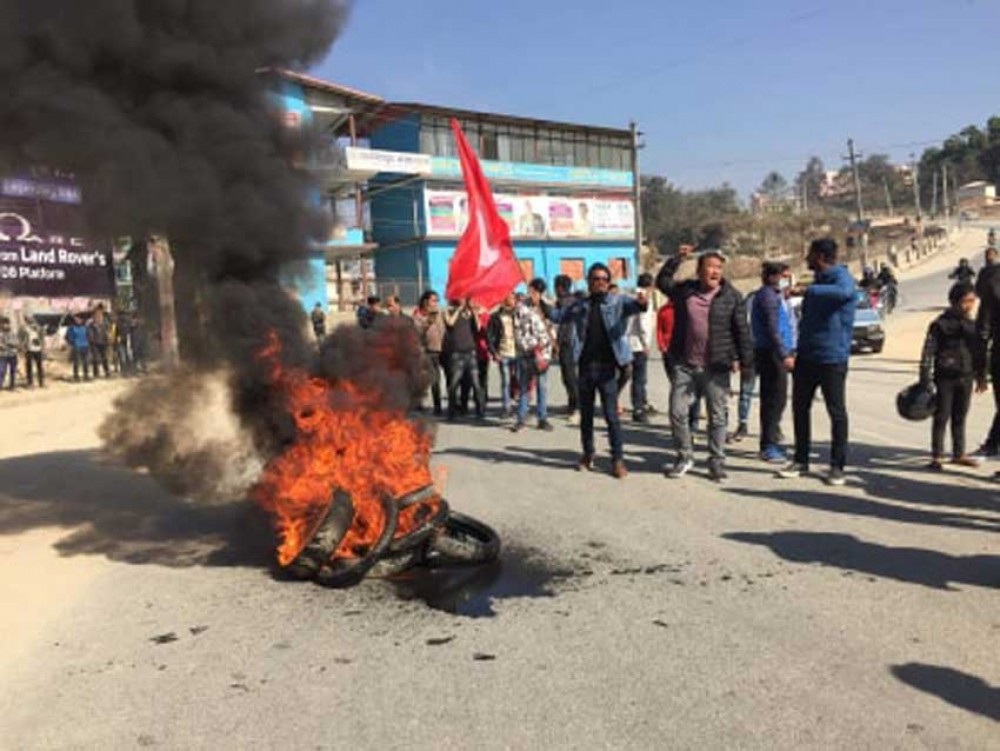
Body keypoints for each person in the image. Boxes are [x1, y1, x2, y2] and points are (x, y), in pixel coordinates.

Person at [656, 247, 753, 483]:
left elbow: (742, 332)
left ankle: (716, 462)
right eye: (710, 267)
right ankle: (685, 456)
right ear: (699, 271)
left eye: (719, 268)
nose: (715, 272)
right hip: (685, 364)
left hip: (716, 366)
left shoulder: (732, 296)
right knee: (677, 412)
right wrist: (676, 258)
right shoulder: (685, 292)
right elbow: (662, 281)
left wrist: (746, 365)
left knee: (717, 417)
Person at [546, 263, 648, 478]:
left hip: (608, 369)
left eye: (603, 278)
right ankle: (587, 453)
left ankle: (617, 460)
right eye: (595, 279)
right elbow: (558, 316)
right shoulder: (580, 305)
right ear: (589, 282)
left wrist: (642, 303)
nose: (600, 282)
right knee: (587, 417)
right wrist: (539, 304)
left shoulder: (618, 302)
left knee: (611, 416)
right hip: (585, 367)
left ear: (608, 281)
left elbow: (636, 307)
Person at [778, 238, 857, 486]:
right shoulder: (819, 281)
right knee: (800, 408)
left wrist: (806, 291)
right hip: (807, 356)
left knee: (837, 413)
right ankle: (801, 460)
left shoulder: (841, 278)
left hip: (832, 358)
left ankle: (837, 467)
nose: (806, 259)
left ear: (821, 256)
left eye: (810, 255)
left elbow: (846, 293)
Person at [920, 282, 986, 470]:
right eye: (967, 301)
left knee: (960, 416)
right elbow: (928, 351)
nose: (971, 305)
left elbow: (979, 351)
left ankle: (959, 454)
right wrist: (925, 376)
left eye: (973, 301)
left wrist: (981, 375)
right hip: (944, 377)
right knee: (941, 416)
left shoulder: (972, 325)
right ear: (955, 301)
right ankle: (937, 456)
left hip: (966, 376)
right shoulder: (939, 324)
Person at [751, 262, 796, 464]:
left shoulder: (773, 295)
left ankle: (771, 440)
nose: (785, 280)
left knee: (776, 399)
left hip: (775, 351)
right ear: (772, 276)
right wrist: (784, 354)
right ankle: (769, 445)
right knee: (774, 400)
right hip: (772, 353)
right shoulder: (768, 297)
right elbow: (773, 329)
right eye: (782, 276)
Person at [512, 279, 554, 432]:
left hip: (544, 354)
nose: (535, 295)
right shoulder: (521, 308)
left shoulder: (546, 307)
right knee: (524, 387)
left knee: (542, 387)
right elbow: (518, 331)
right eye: (533, 291)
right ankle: (521, 418)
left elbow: (552, 327)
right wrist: (530, 346)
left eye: (538, 293)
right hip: (527, 353)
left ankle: (542, 418)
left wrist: (546, 344)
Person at [443, 298, 483, 420]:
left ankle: (480, 411)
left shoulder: (470, 314)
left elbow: (479, 328)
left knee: (476, 384)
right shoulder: (448, 311)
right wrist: (458, 310)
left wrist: (475, 313)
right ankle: (452, 411)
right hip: (457, 354)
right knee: (454, 384)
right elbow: (450, 323)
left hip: (471, 353)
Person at [626, 273, 656, 422]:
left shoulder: (631, 294)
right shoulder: (644, 298)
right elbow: (643, 323)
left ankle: (642, 402)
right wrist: (646, 344)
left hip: (628, 341)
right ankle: (638, 409)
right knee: (639, 378)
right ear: (650, 284)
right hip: (638, 344)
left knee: (633, 376)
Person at [553, 275, 581, 424]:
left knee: (570, 377)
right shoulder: (564, 302)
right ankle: (572, 403)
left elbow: (560, 321)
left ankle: (577, 407)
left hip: (570, 343)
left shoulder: (568, 303)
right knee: (567, 377)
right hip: (564, 343)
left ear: (560, 287)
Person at [487, 293, 519, 419]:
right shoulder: (495, 317)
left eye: (512, 298)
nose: (510, 300)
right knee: (506, 381)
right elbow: (489, 336)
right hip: (503, 353)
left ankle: (521, 407)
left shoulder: (519, 315)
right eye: (508, 298)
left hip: (518, 353)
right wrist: (494, 353)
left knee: (520, 381)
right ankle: (506, 408)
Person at [413, 291, 445, 416]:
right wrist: (428, 321)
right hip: (429, 352)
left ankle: (455, 404)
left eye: (437, 300)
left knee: (450, 379)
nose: (435, 303)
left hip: (443, 350)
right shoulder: (418, 315)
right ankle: (437, 407)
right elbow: (417, 333)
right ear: (426, 301)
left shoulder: (440, 313)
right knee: (434, 380)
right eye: (433, 300)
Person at [18, 314, 45, 388]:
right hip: (29, 349)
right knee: (29, 367)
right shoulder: (23, 328)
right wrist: (22, 348)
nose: (30, 319)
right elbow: (20, 338)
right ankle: (30, 383)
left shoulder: (38, 327)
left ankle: (41, 382)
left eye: (31, 318)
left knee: (40, 366)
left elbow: (42, 337)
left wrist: (43, 347)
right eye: (27, 318)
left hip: (38, 349)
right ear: (25, 320)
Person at [65, 314, 91, 381]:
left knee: (86, 362)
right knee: (77, 362)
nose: (78, 320)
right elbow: (67, 337)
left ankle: (86, 375)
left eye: (79, 319)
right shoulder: (72, 327)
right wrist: (72, 342)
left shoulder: (85, 327)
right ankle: (76, 376)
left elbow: (88, 335)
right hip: (77, 346)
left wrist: (88, 342)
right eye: (76, 319)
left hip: (85, 346)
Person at [88, 306, 111, 378]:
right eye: (96, 315)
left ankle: (107, 372)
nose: (98, 316)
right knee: (95, 359)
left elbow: (107, 332)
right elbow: (89, 333)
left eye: (100, 315)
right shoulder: (91, 325)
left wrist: (108, 339)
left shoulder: (105, 324)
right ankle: (96, 373)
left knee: (105, 358)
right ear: (94, 316)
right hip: (95, 343)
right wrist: (91, 340)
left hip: (103, 343)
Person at [0, 317, 18, 390]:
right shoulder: (0, 334)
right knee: (2, 371)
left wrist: (9, 344)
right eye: (4, 324)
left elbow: (16, 343)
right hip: (3, 355)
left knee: (13, 371)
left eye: (7, 324)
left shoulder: (13, 333)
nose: (6, 325)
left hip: (13, 355)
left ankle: (12, 386)